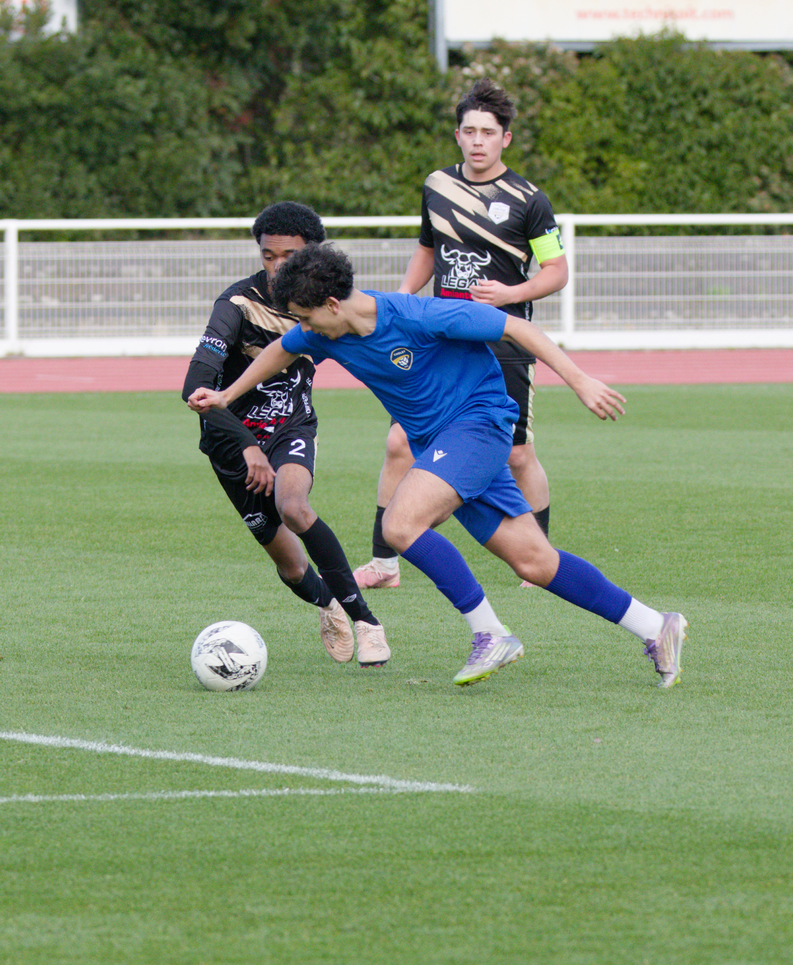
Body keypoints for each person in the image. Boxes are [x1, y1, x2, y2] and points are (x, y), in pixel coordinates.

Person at [188, 243, 687, 688]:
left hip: (479, 424)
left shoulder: (420, 315)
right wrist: (228, 395)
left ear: (333, 304)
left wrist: (580, 381)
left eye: (305, 317)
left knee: (400, 524)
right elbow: (280, 350)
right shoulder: (323, 333)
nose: (303, 327)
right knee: (535, 561)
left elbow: (517, 327)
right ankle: (655, 626)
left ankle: (490, 634)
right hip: (443, 446)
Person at [354, 77, 567, 591]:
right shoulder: (436, 185)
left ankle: (540, 562)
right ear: (457, 135)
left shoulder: (529, 200)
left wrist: (511, 294)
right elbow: (428, 250)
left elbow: (556, 271)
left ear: (505, 139)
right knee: (399, 442)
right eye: (469, 131)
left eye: (488, 133)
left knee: (517, 454)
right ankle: (384, 565)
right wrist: (402, 300)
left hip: (502, 341)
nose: (477, 141)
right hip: (440, 342)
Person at [181, 201, 391, 668]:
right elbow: (194, 387)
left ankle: (366, 623)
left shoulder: (327, 305)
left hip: (290, 424)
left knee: (293, 506)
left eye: (288, 256)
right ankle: (328, 604)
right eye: (268, 256)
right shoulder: (236, 305)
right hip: (231, 440)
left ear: (312, 253)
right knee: (292, 566)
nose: (277, 267)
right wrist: (247, 446)